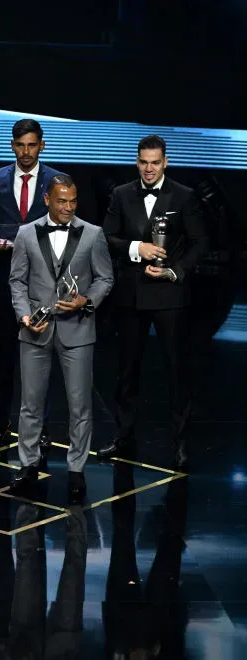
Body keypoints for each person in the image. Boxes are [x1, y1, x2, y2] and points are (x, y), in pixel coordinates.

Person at [100, 135, 207, 470]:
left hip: (170, 298)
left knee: (177, 371)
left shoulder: (184, 196)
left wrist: (175, 271)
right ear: (137, 161)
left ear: (165, 162)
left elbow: (200, 241)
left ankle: (181, 444)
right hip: (131, 295)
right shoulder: (121, 194)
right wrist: (137, 248)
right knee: (127, 371)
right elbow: (106, 235)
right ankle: (124, 437)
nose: (149, 168)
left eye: (155, 162)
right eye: (144, 162)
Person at [8, 175, 114, 502]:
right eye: (61, 201)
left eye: (72, 201)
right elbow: (17, 282)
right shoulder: (26, 234)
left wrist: (88, 300)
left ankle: (76, 470)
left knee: (80, 405)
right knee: (30, 404)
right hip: (35, 329)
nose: (68, 207)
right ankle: (28, 465)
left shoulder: (93, 234)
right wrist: (24, 315)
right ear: (47, 200)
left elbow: (105, 278)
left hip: (77, 329)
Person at [0, 119, 62, 451]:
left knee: (40, 355)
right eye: (20, 145)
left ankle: (40, 426)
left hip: (43, 282)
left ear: (41, 145)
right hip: (4, 279)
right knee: (4, 355)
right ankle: (1, 422)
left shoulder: (59, 180)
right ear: (12, 146)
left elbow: (64, 229)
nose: (26, 152)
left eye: (32, 145)